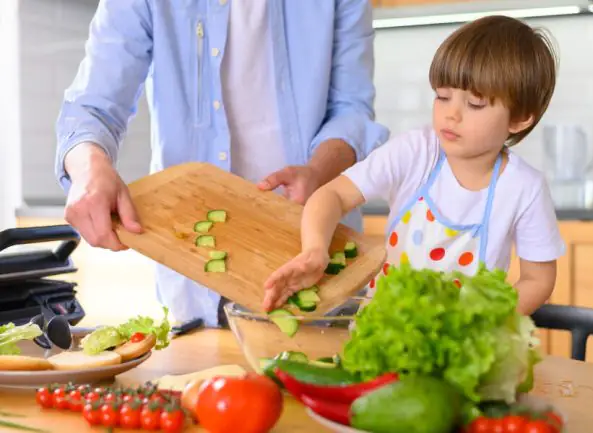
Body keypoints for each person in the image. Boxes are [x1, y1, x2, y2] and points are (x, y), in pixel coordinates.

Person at [54, 0, 389, 328]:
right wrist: (88, 168)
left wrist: (318, 171)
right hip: (197, 286)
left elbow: (352, 109)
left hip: (321, 270)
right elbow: (93, 106)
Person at [262, 15, 566, 316]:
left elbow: (538, 279)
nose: (452, 115)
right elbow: (333, 196)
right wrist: (315, 251)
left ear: (519, 118)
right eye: (442, 97)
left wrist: (484, 322)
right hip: (381, 329)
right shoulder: (417, 151)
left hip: (458, 348)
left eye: (474, 104)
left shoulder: (524, 187)